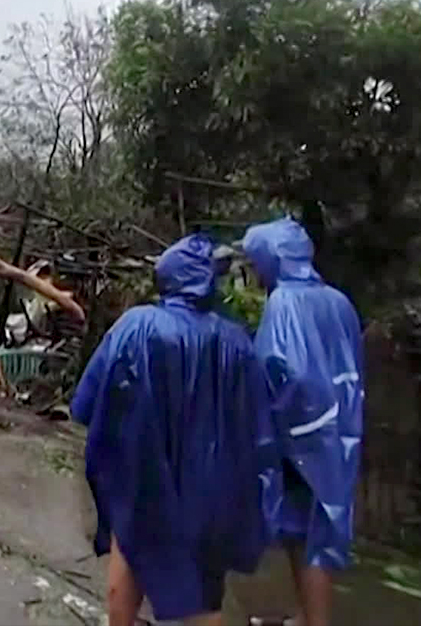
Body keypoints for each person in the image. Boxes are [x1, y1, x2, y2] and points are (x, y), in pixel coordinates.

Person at [72, 233, 280, 626]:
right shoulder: (237, 341)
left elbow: (87, 403)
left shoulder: (136, 327)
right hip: (211, 493)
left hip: (146, 483)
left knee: (128, 565)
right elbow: (259, 428)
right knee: (203, 600)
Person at [241, 217, 364, 626]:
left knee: (305, 532)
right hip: (336, 432)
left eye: (257, 262)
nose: (256, 272)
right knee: (309, 528)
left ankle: (317, 621)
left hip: (299, 436)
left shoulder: (285, 304)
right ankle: (308, 615)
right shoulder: (339, 301)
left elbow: (279, 371)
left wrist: (263, 425)